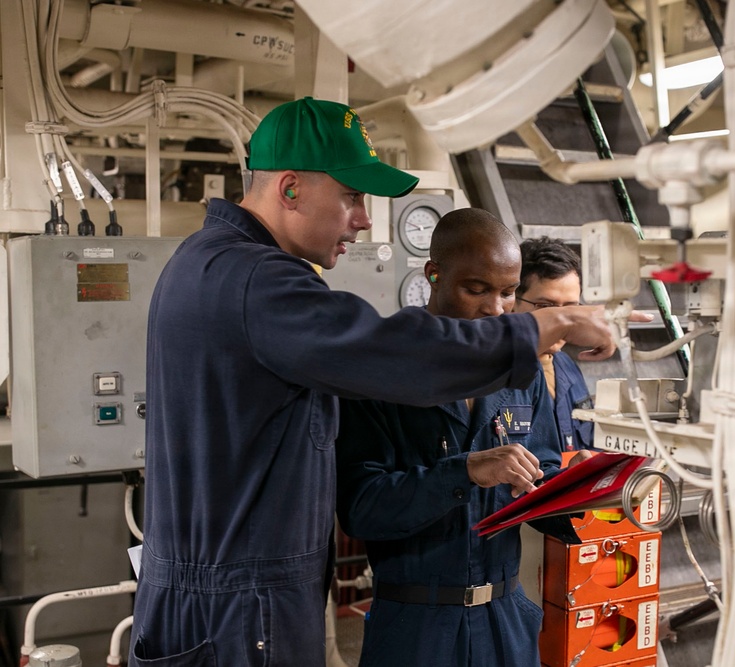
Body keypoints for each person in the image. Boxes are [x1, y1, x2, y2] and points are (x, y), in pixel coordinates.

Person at [130, 97, 635, 666]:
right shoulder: (254, 279)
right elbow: (388, 351)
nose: (365, 218)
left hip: (246, 597)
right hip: (241, 608)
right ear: (290, 189)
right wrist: (546, 326)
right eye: (351, 196)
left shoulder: (219, 266)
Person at [336, 208, 573, 667]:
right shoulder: (381, 374)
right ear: (434, 274)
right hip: (415, 628)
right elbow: (362, 509)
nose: (495, 309)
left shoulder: (520, 375)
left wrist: (578, 493)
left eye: (507, 293)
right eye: (476, 289)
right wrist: (464, 472)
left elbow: (543, 476)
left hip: (506, 621)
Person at [514, 237, 595, 451]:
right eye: (545, 307)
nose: (561, 320)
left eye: (570, 308)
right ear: (512, 302)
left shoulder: (568, 368)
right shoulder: (494, 377)